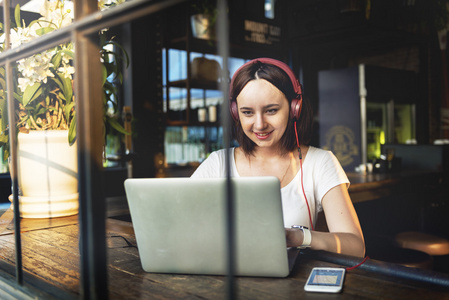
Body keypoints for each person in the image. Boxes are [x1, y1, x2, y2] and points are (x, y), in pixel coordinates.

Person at [191, 58, 365, 257]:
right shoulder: (218, 163)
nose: (259, 125)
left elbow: (356, 246)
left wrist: (298, 237)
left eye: (271, 110)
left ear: (294, 109)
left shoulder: (321, 162)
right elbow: (181, 228)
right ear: (235, 114)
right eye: (247, 112)